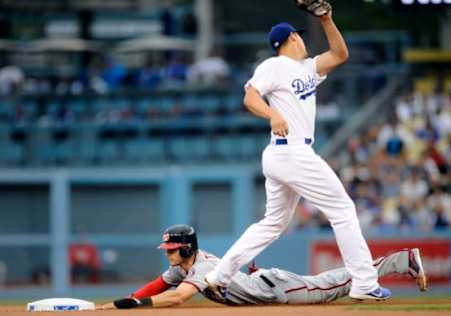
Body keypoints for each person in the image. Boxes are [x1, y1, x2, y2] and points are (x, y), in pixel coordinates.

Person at [204, 3, 391, 301]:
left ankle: (217, 276)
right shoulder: (273, 65)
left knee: (273, 223)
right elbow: (250, 97)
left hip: (285, 155)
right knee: (342, 210)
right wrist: (271, 115)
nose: (303, 40)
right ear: (292, 38)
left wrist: (328, 20)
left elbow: (341, 55)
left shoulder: (307, 68)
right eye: (300, 36)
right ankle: (365, 283)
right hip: (291, 151)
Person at [97, 225, 428, 310]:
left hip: (278, 290)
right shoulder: (184, 267)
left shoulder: (198, 269)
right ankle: (401, 261)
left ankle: (403, 260)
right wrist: (126, 300)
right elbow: (157, 286)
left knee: (338, 284)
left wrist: (130, 305)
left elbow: (176, 300)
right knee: (336, 282)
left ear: (186, 248)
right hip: (264, 286)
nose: (167, 253)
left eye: (171, 248)